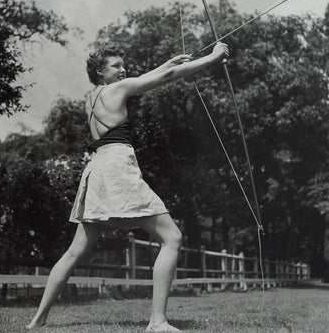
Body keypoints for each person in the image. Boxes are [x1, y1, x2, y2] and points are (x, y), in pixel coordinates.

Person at [27, 42, 229, 332]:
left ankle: (37, 320)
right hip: (117, 169)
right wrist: (213, 57)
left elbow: (146, 78)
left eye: (124, 65)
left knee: (74, 252)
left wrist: (168, 61)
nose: (123, 69)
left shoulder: (92, 97)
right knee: (172, 237)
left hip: (97, 168)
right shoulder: (116, 90)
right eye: (115, 66)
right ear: (100, 71)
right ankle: (157, 322)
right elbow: (161, 80)